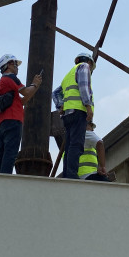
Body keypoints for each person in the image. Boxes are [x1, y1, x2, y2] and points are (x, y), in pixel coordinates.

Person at [0, 54, 42, 174]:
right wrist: (35, 84)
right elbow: (27, 91)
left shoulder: (2, 82)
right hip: (13, 120)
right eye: (15, 64)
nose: (17, 67)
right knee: (10, 152)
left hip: (2, 122)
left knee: (1, 152)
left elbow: (23, 100)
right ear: (8, 65)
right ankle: (5, 179)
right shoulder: (11, 78)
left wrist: (35, 87)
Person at [53, 51, 95, 179]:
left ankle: (67, 174)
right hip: (78, 111)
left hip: (67, 114)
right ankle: (71, 175)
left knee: (70, 144)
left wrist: (60, 106)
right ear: (89, 62)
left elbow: (55, 93)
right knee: (76, 144)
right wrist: (88, 106)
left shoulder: (68, 75)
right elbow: (83, 87)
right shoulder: (84, 67)